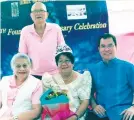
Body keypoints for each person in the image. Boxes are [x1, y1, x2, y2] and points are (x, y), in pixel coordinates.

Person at [86, 33, 134, 120]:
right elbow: (88, 93)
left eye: (110, 45)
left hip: (124, 114)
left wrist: (133, 108)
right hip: (102, 115)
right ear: (99, 49)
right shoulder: (93, 69)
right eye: (103, 46)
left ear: (116, 47)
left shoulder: (129, 67)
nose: (107, 49)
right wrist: (94, 106)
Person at [42, 44, 92, 120]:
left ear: (73, 63)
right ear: (57, 64)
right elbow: (49, 104)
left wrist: (74, 117)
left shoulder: (83, 78)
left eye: (67, 60)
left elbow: (85, 102)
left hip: (77, 116)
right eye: (60, 61)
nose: (64, 64)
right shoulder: (49, 81)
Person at [19, 2, 65, 79]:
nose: (38, 13)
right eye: (35, 11)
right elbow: (22, 55)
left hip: (55, 74)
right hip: (33, 75)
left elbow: (63, 51)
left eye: (41, 10)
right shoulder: (25, 31)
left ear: (46, 14)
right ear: (31, 15)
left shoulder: (56, 28)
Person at [0, 53, 43, 120]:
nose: (22, 68)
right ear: (12, 67)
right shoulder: (4, 80)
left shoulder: (37, 83)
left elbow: (36, 111)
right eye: (18, 66)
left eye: (25, 65)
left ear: (30, 66)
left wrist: (14, 118)